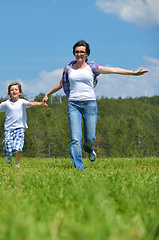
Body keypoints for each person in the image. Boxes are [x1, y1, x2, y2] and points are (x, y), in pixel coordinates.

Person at [42, 40, 149, 170]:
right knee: (75, 138)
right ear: (74, 53)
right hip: (73, 105)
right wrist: (48, 94)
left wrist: (133, 73)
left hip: (90, 105)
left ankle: (88, 147)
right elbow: (61, 83)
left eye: (82, 52)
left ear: (87, 53)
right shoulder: (69, 68)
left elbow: (113, 70)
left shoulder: (92, 67)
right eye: (77, 52)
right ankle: (79, 168)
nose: (79, 54)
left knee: (90, 137)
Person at [0, 82, 47, 167]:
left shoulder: (22, 102)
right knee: (9, 147)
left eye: (16, 89)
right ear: (9, 93)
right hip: (9, 129)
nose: (14, 91)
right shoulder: (6, 103)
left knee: (18, 147)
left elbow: (31, 103)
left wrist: (41, 103)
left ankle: (17, 163)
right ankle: (8, 155)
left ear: (20, 92)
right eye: (12, 90)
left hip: (20, 129)